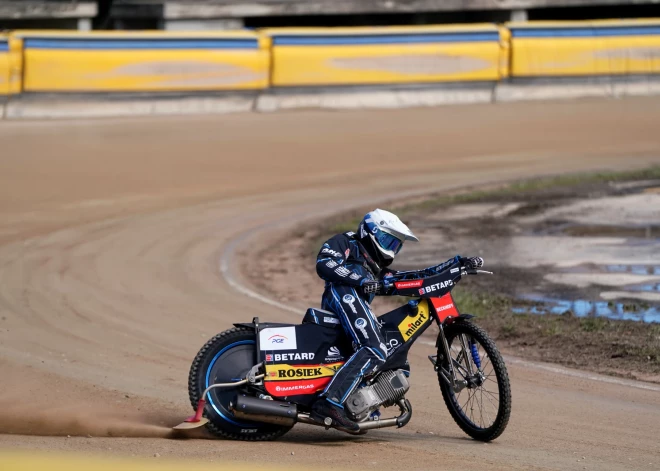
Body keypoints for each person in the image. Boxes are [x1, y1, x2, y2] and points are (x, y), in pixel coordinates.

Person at [311, 208, 483, 431]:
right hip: (342, 293)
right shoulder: (346, 241)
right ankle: (329, 403)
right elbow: (324, 263)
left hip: (357, 302)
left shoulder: (377, 270)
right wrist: (359, 281)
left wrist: (457, 263)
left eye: (396, 245)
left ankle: (361, 402)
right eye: (387, 240)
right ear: (370, 232)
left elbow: (414, 276)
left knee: (394, 357)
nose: (391, 249)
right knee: (374, 347)